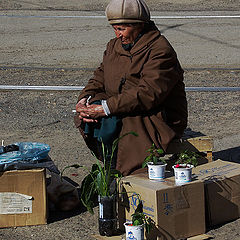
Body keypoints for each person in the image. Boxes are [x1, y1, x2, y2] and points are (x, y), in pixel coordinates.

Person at [74, 0, 188, 176]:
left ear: (139, 26)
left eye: (122, 29)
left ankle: (118, 172)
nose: (117, 34)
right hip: (125, 104)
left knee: (114, 119)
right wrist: (84, 99)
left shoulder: (160, 50)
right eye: (115, 29)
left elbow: (148, 93)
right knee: (91, 115)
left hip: (158, 114)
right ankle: (111, 166)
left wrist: (105, 108)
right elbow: (100, 75)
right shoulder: (114, 46)